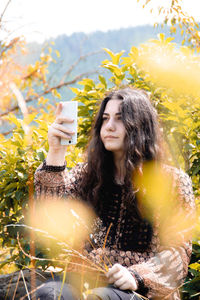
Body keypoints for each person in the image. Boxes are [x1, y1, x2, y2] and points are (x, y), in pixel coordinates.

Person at [34, 87, 195, 300]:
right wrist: (56, 152)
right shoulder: (86, 175)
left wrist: (138, 276)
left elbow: (178, 253)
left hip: (138, 289)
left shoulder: (172, 182)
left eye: (120, 119)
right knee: (49, 294)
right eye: (105, 119)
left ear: (140, 126)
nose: (109, 126)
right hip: (85, 276)